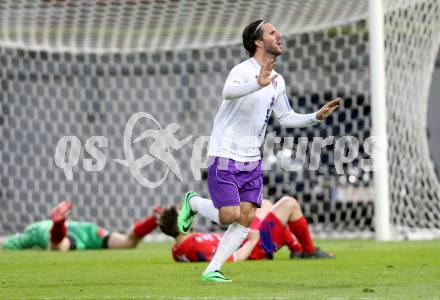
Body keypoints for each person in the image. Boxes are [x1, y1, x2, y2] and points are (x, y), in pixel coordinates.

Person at [177, 19, 340, 282]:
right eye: (272, 32)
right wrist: (257, 83)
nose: (279, 35)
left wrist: (315, 117)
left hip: (252, 159)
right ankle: (193, 202)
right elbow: (227, 93)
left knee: (247, 216)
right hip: (226, 152)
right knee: (228, 215)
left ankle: (212, 270)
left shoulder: (278, 80)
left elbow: (285, 117)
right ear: (257, 41)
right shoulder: (243, 70)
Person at [163, 195, 334, 263]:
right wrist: (253, 240)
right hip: (255, 245)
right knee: (289, 203)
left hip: (243, 236)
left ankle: (296, 249)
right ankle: (307, 250)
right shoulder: (193, 245)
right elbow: (233, 258)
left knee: (263, 204)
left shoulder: (179, 247)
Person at [2, 200, 163, 251]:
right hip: (87, 230)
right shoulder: (38, 228)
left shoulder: (35, 229)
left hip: (56, 233)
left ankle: (59, 225)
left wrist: (9, 244)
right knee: (127, 242)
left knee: (57, 247)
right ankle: (154, 219)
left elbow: (12, 244)